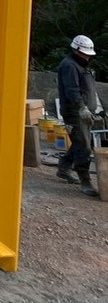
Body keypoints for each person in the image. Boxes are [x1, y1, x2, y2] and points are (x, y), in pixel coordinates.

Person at [57, 35, 99, 197]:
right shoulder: (69, 66)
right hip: (75, 113)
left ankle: (64, 167)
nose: (87, 56)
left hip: (85, 111)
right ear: (75, 50)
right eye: (84, 53)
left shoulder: (82, 65)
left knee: (80, 141)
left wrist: (94, 107)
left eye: (88, 54)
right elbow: (72, 90)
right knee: (84, 146)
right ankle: (85, 181)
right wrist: (82, 107)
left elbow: (89, 89)